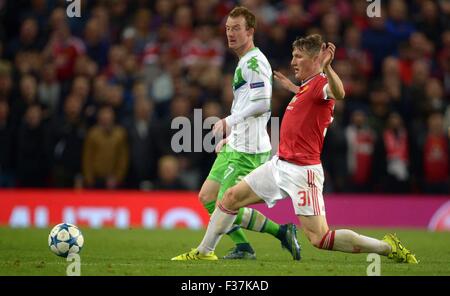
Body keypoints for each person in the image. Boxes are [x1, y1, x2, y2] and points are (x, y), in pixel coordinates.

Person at [172, 34, 418, 264]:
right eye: (293, 56)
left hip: (303, 172)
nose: (293, 61)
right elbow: (307, 99)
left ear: (314, 59)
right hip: (279, 165)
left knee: (319, 238)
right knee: (230, 198)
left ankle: (386, 247)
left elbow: (340, 93)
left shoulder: (321, 84)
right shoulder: (306, 87)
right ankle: (205, 251)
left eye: (298, 57)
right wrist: (293, 88)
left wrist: (328, 68)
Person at [173, 6, 301, 260]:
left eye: (236, 29)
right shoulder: (245, 61)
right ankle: (249, 244)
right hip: (238, 143)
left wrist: (229, 121)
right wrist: (231, 137)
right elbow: (247, 104)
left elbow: (263, 102)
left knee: (227, 204)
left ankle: (205, 252)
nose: (230, 34)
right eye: (228, 29)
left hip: (249, 149)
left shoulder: (254, 62)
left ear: (250, 31)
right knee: (208, 197)